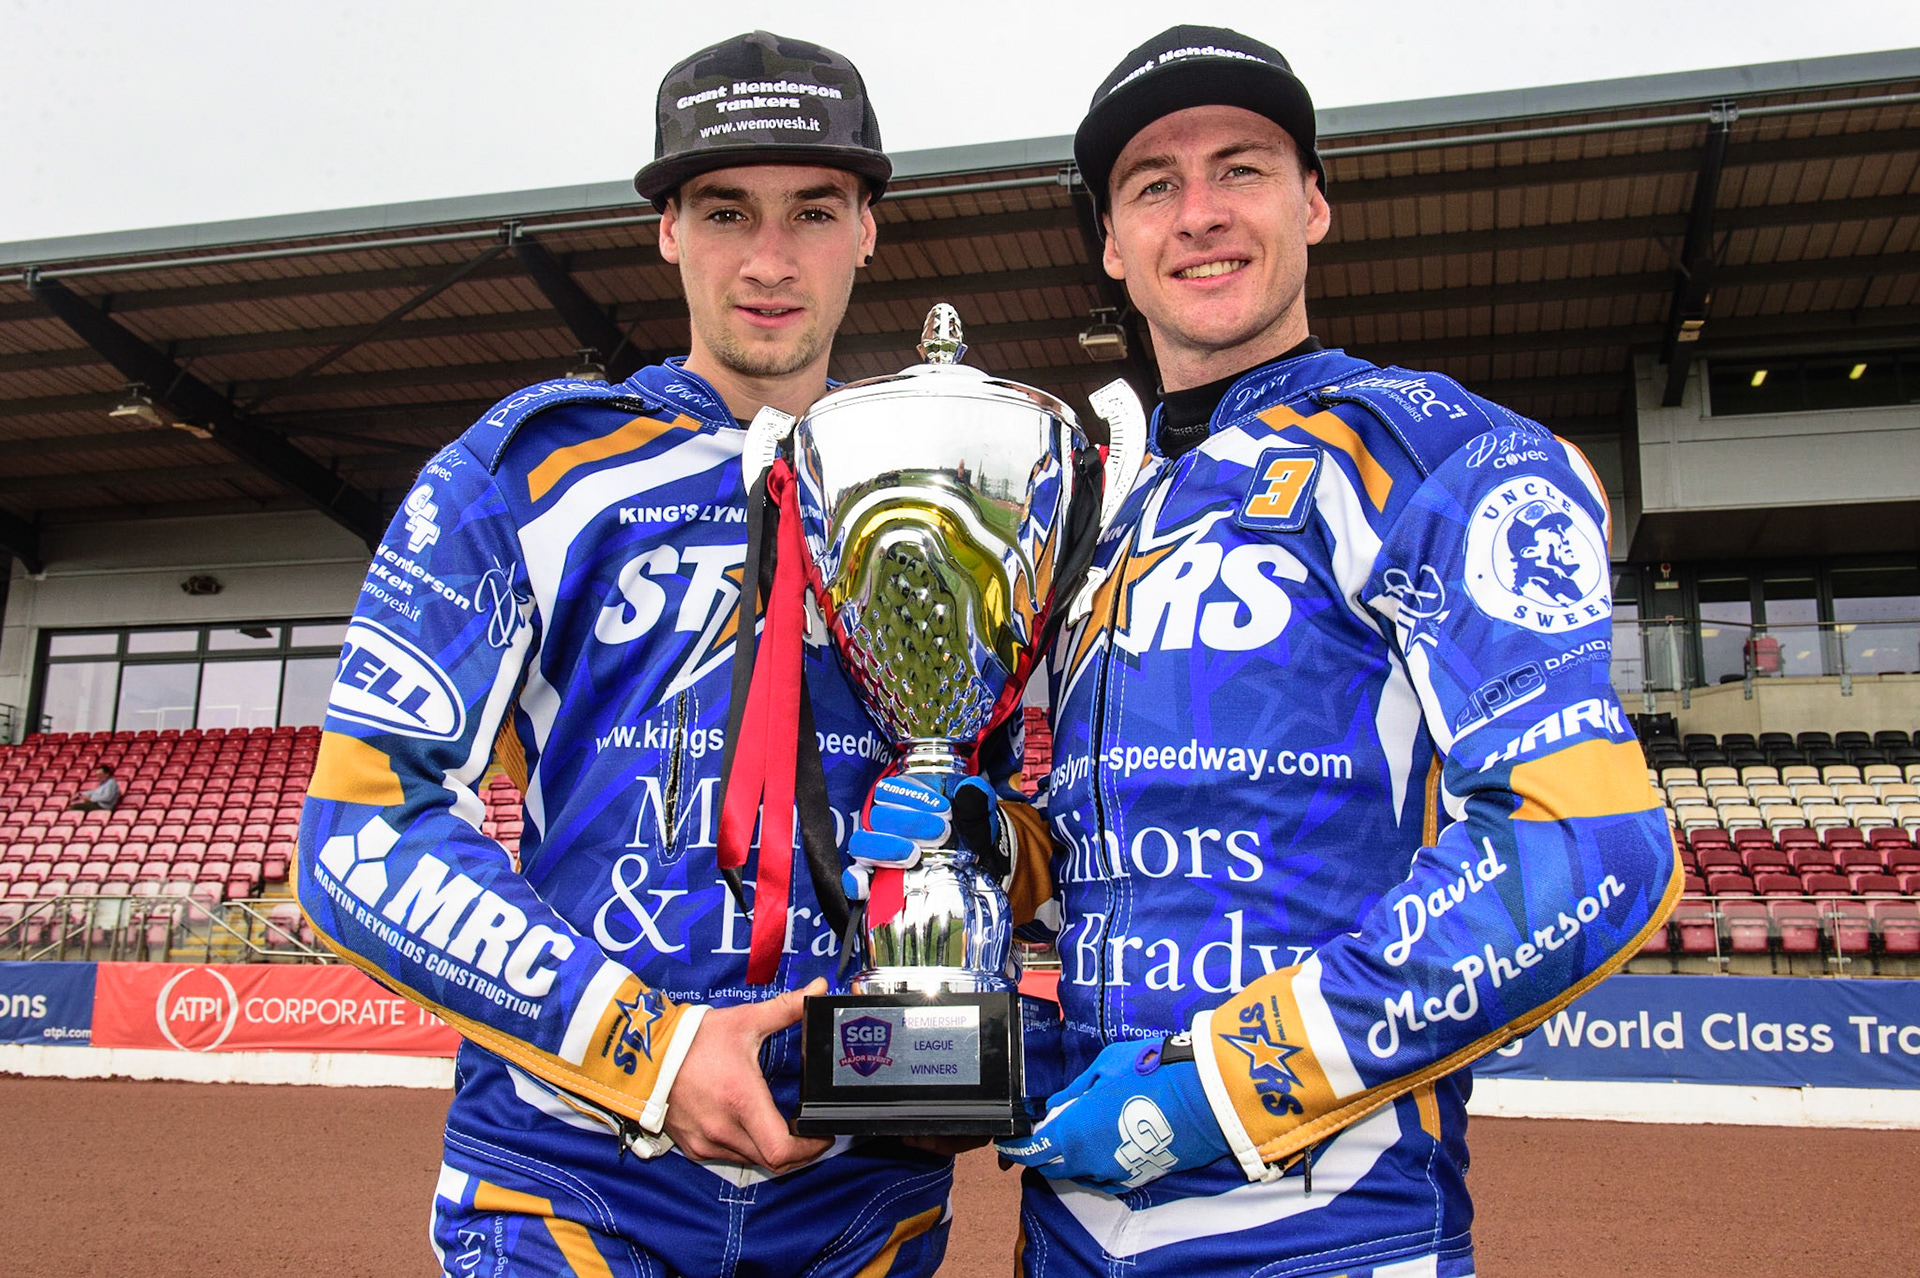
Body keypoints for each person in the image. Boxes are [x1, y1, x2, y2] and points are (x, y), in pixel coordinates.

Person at [983, 26, 1680, 1277]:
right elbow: (1097, 849)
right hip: (1067, 1233)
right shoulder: (1092, 516)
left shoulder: (1444, 455)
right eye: (1154, 185)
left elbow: (1587, 847)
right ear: (1110, 245)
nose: (1197, 214)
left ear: (1313, 204)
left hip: (1329, 1237)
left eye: (1241, 170)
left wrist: (1227, 1085)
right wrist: (995, 847)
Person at [298, 32, 959, 1277]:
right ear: (666, 228)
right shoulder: (531, 467)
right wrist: (644, 1051)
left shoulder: (938, 490)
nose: (769, 260)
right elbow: (360, 833)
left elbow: (1001, 812)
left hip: (860, 1189)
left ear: (868, 227)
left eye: (814, 210)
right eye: (725, 211)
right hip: (568, 1178)